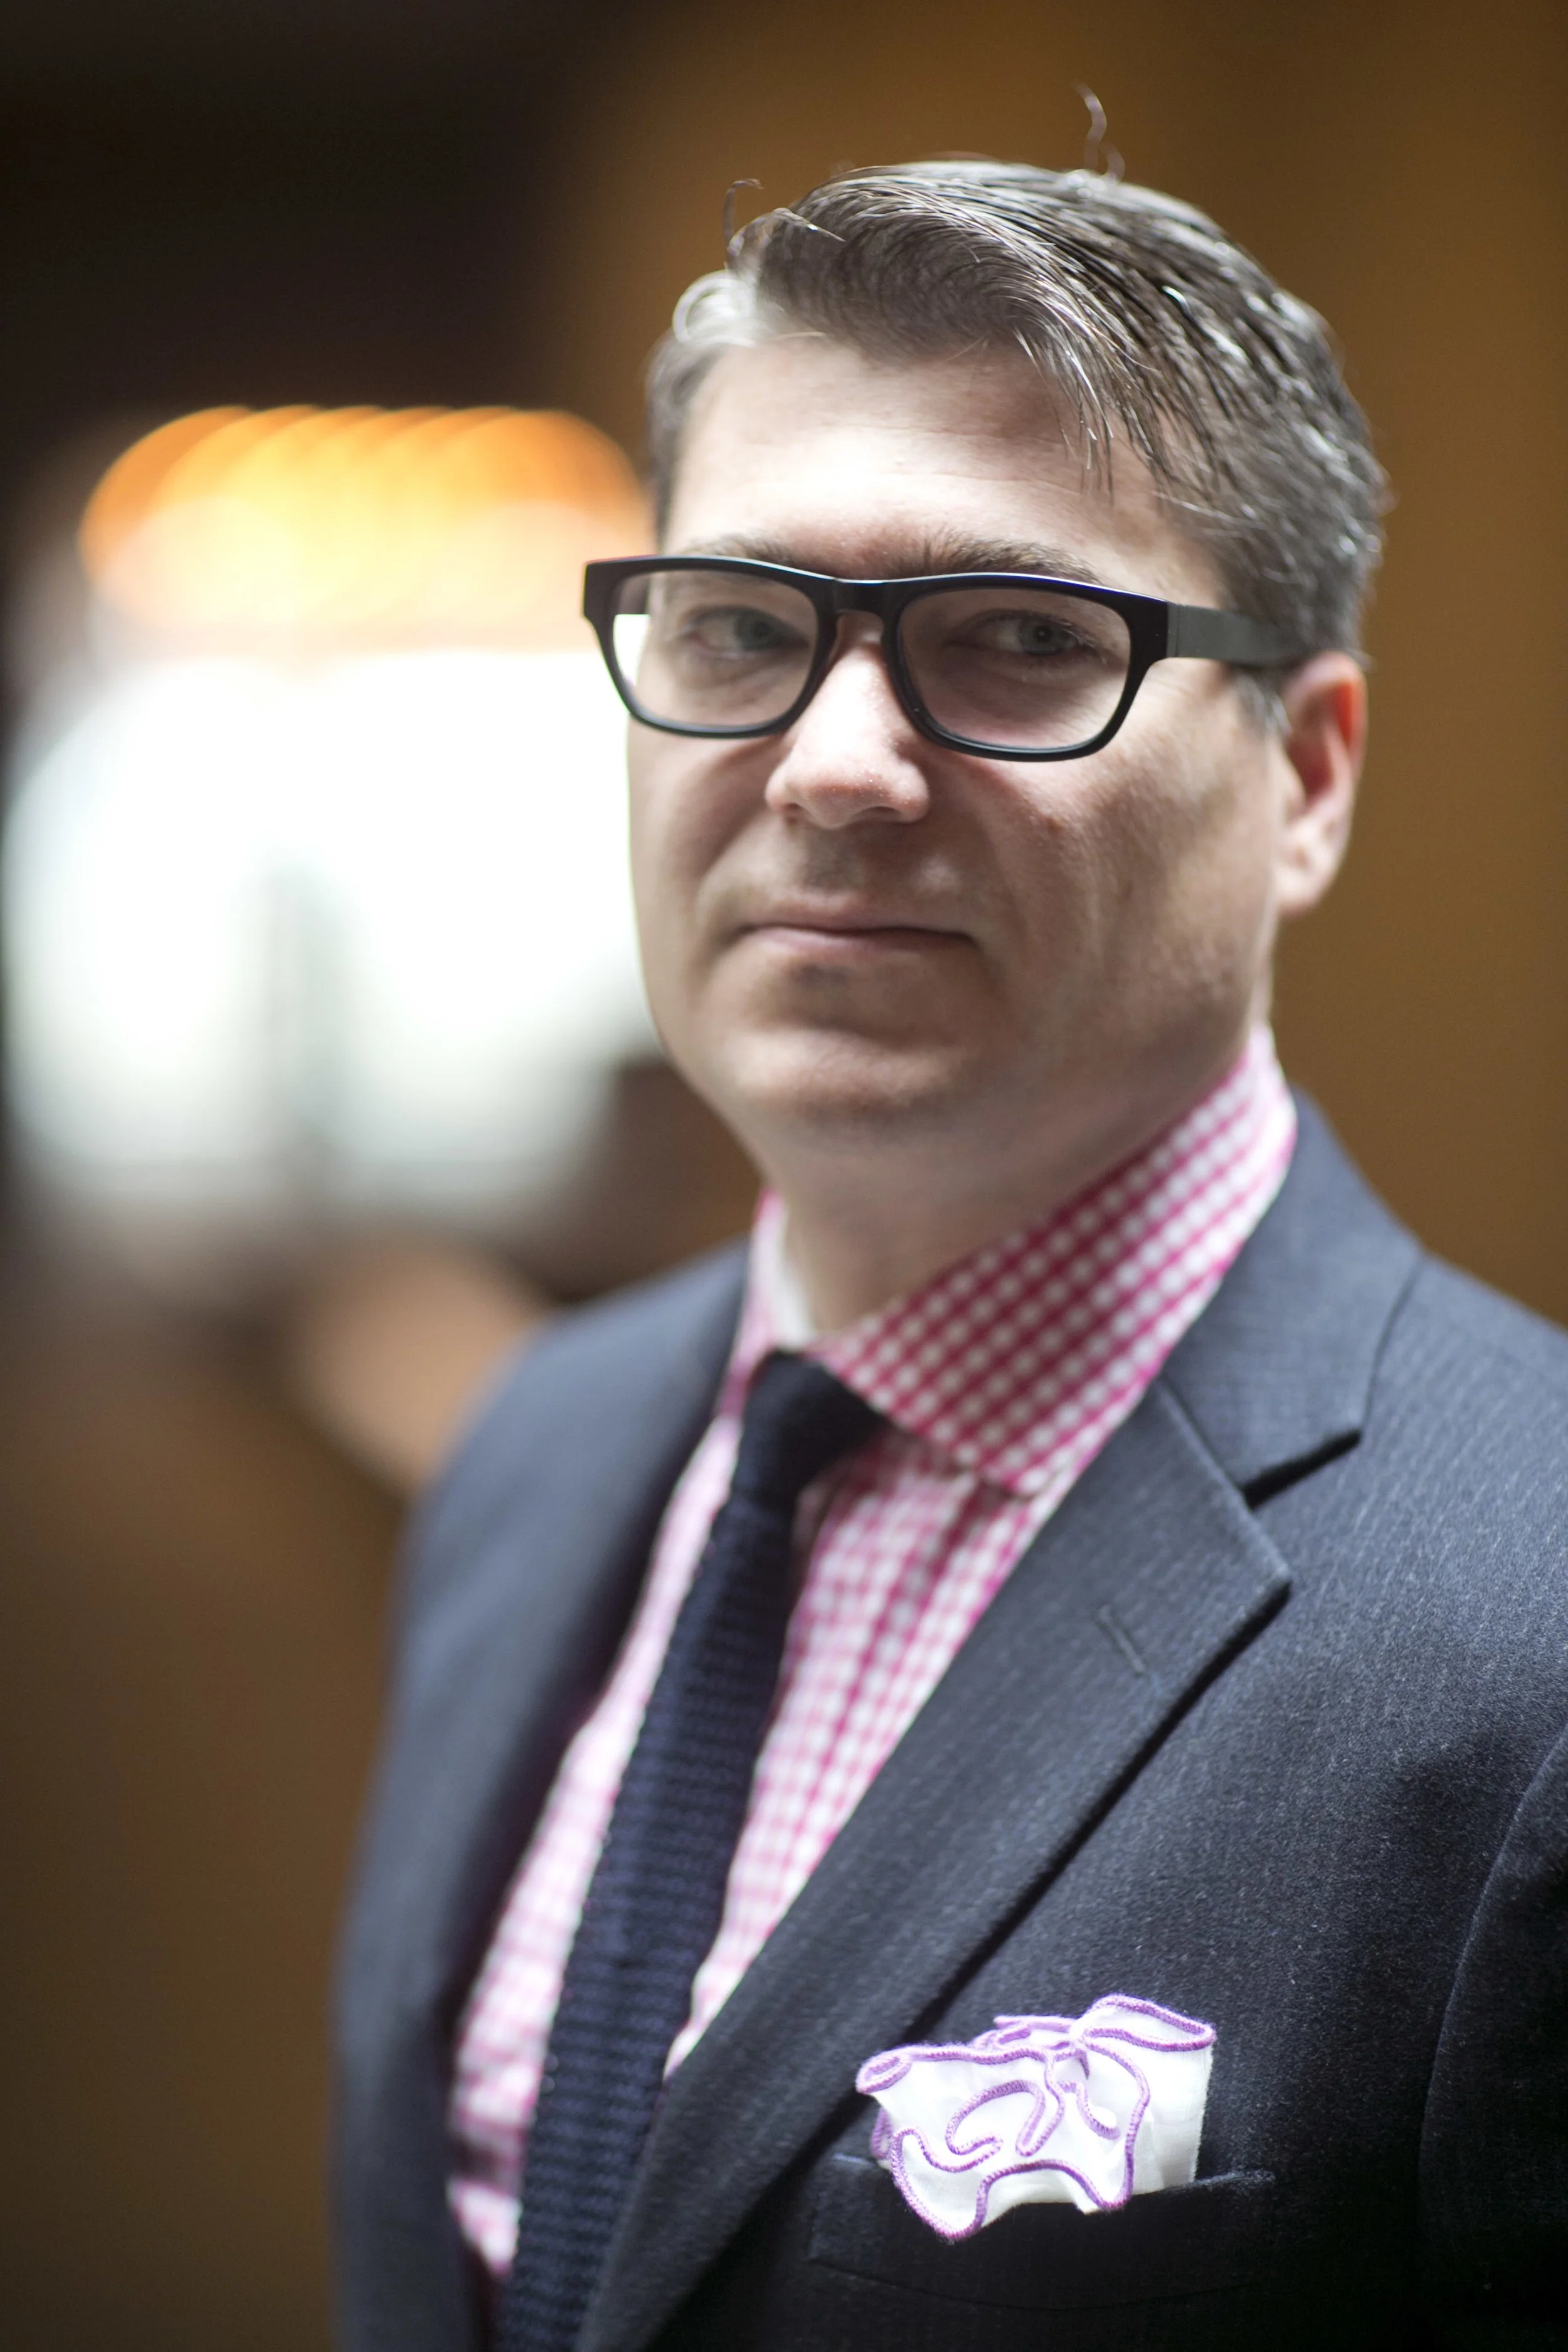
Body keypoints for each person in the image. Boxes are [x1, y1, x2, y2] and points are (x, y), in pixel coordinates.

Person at [334, 161, 1568, 2352]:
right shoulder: (534, 1448)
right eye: (733, 628)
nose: (830, 768)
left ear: (1304, 773)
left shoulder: (1530, 1615)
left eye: (1015, 643)